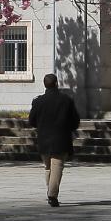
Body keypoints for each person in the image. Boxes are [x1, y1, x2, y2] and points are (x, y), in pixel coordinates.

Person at [28, 73, 81, 207]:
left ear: (44, 84)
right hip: (61, 138)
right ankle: (52, 195)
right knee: (57, 167)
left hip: (44, 138)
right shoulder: (66, 100)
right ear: (57, 83)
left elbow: (31, 121)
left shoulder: (38, 101)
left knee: (48, 167)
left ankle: (50, 192)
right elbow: (75, 121)